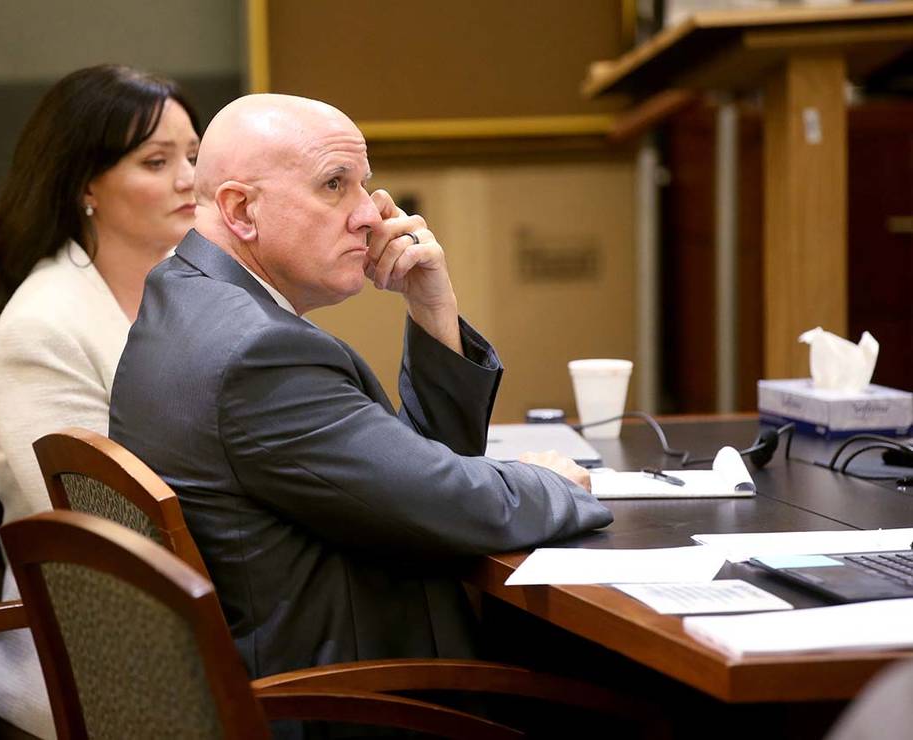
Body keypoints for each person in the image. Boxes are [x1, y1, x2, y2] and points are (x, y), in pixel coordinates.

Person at [109, 93, 612, 687]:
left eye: (363, 185)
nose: (370, 216)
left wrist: (432, 308)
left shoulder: (185, 295)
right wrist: (553, 480)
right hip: (347, 700)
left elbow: (411, 478)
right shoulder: (257, 355)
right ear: (241, 210)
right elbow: (451, 502)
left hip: (288, 671)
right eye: (334, 185)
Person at [0, 64, 201, 738]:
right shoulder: (47, 324)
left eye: (194, 155)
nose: (189, 178)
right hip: (98, 642)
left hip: (177, 595)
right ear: (85, 186)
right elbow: (84, 530)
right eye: (157, 161)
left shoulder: (182, 288)